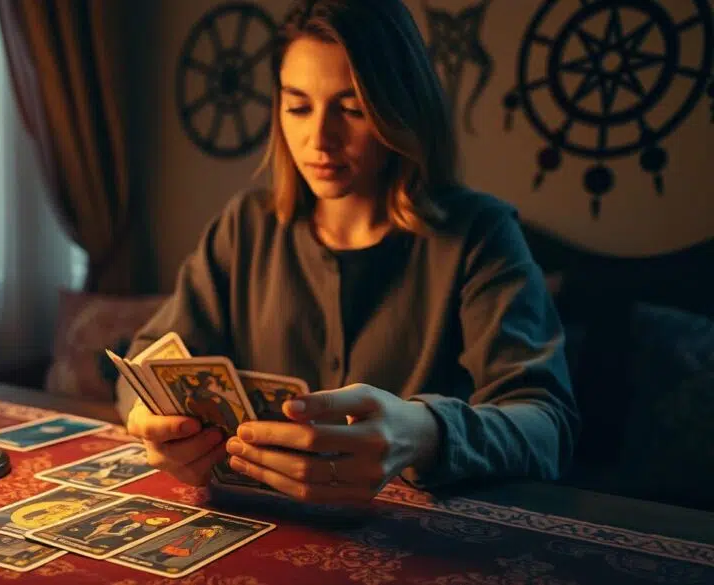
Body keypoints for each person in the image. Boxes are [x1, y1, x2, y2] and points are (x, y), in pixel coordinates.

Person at [120, 0, 579, 506]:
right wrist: (150, 421)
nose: (320, 138)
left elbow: (547, 427)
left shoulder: (479, 234)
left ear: (400, 108)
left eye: (353, 108)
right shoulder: (246, 225)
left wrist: (426, 433)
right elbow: (147, 358)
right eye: (297, 106)